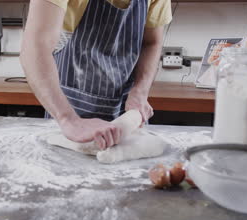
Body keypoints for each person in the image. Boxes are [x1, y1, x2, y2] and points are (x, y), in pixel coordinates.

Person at [20, 0, 172, 150]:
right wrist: (68, 119)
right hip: (69, 109)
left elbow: (152, 42)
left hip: (126, 110)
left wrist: (141, 91)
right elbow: (35, 47)